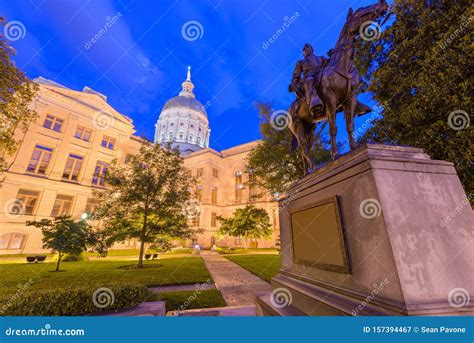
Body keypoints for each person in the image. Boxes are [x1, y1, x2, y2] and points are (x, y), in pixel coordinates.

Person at [289, 43, 327, 115]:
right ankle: (313, 104)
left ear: (312, 49)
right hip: (309, 79)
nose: (305, 49)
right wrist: (294, 83)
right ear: (303, 53)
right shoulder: (300, 62)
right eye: (304, 49)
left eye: (307, 47)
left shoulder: (321, 58)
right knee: (309, 80)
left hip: (321, 75)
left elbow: (331, 66)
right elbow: (296, 76)